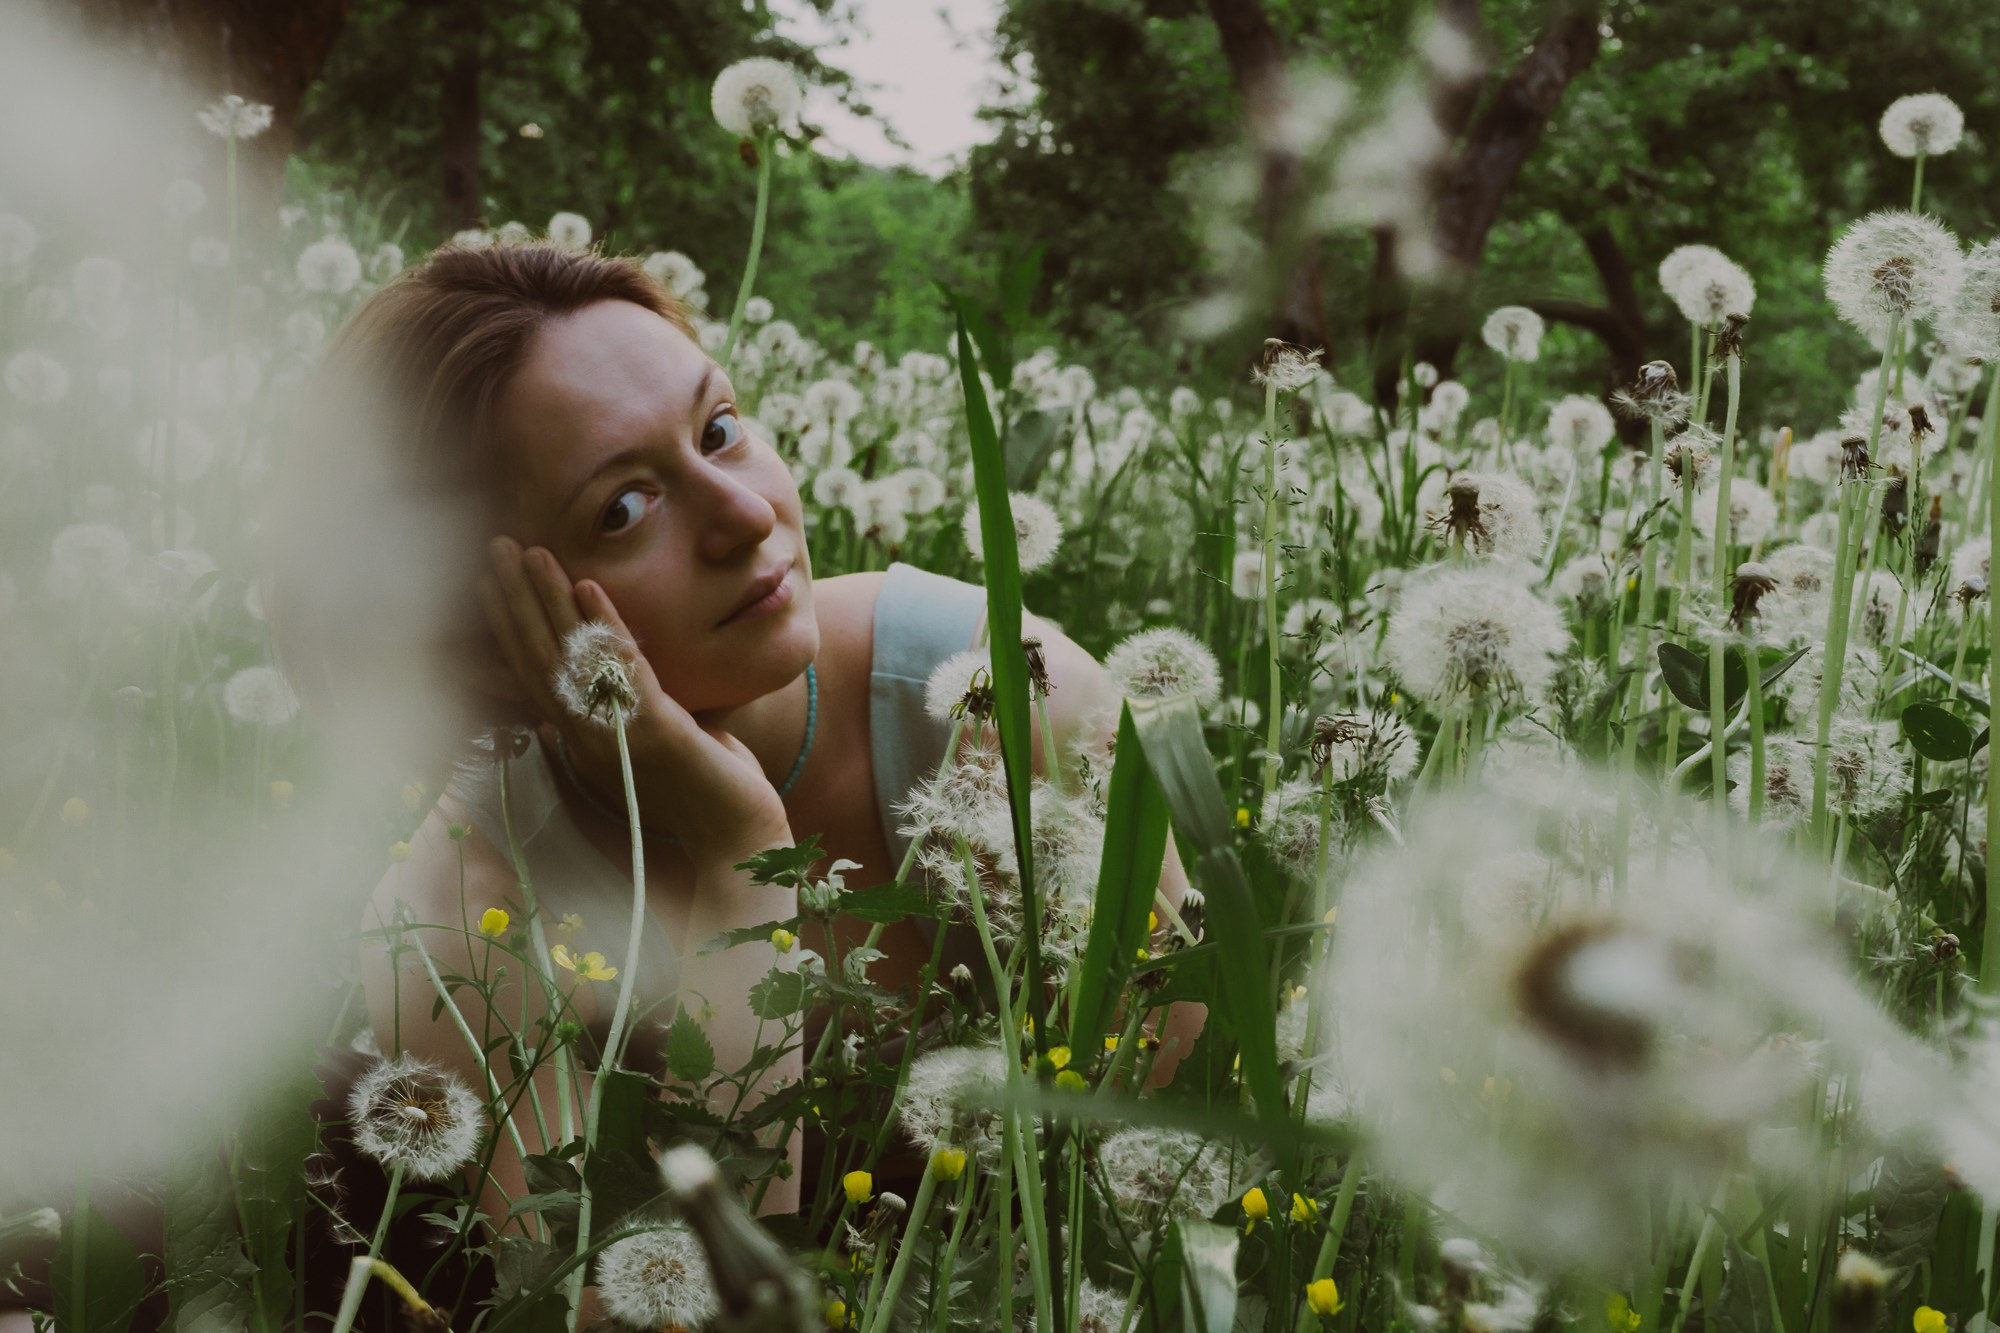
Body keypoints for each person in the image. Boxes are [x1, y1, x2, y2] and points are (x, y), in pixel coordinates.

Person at [259, 239, 1204, 1321]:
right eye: (624, 507)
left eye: (719, 431)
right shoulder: (457, 920)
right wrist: (740, 856)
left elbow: (1168, 1198)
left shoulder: (1003, 707)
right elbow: (636, 1321)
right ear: (477, 631)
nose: (748, 516)